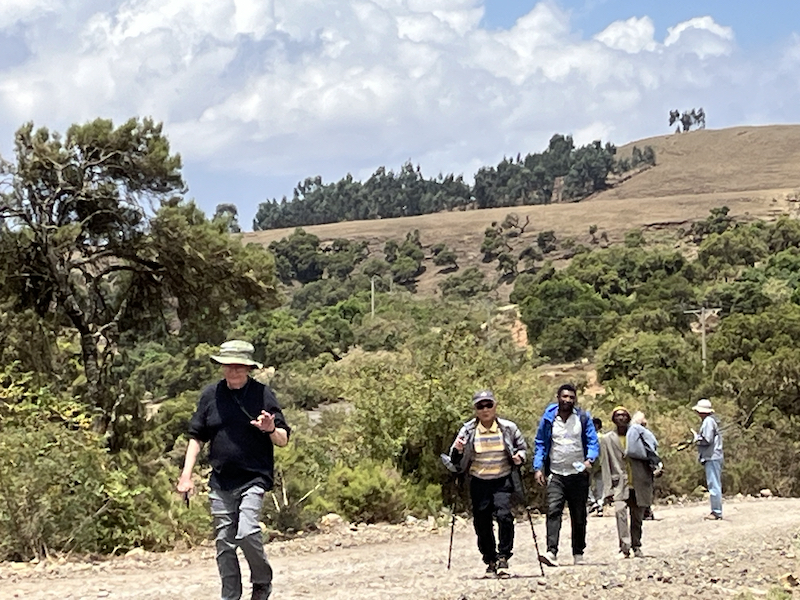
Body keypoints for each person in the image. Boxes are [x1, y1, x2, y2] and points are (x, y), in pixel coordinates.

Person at [177, 340, 290, 600]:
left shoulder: (262, 395)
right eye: (229, 366)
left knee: (247, 531)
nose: (234, 372)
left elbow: (283, 439)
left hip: (253, 478)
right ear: (222, 368)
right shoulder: (210, 396)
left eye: (240, 367)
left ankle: (261, 582)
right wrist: (186, 476)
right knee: (224, 545)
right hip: (220, 481)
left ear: (249, 369)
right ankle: (230, 596)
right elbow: (196, 437)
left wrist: (270, 429)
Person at [448, 390, 527, 576]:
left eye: (488, 405)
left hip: (502, 479)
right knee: (482, 522)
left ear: (495, 406)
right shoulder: (467, 430)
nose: (485, 410)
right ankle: (490, 559)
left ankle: (504, 556)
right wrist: (458, 450)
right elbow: (454, 458)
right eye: (480, 406)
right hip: (479, 481)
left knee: (505, 516)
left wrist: (519, 457)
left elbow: (522, 448)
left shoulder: (508, 428)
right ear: (475, 410)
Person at [533, 384, 600, 567]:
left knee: (579, 515)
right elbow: (540, 443)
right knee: (553, 511)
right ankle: (551, 552)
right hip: (556, 473)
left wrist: (590, 460)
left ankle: (578, 553)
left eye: (571, 397)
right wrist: (538, 467)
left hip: (578, 474)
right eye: (565, 396)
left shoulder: (583, 418)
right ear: (558, 397)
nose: (568, 400)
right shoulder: (548, 419)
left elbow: (593, 441)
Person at [600, 407, 655, 559]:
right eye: (617, 415)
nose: (621, 418)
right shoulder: (607, 439)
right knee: (620, 513)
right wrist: (607, 489)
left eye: (624, 415)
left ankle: (636, 545)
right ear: (613, 419)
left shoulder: (637, 434)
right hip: (619, 484)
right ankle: (624, 547)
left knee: (637, 516)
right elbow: (606, 465)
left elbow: (650, 453)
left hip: (638, 480)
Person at [692, 398, 724, 520]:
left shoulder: (708, 422)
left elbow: (707, 439)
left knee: (713, 484)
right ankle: (716, 510)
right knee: (714, 483)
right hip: (714, 456)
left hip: (712, 456)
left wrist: (697, 439)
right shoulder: (712, 420)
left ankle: (716, 511)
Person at [587, 417, 605, 517]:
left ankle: (593, 502)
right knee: (600, 485)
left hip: (592, 463)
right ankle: (599, 504)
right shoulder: (603, 437)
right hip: (601, 464)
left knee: (587, 485)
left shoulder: (589, 437)